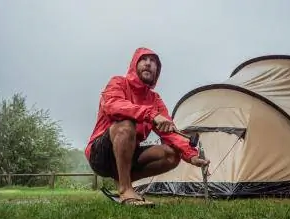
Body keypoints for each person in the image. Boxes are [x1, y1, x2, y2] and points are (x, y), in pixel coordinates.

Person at [85, 47, 210, 206]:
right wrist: (150, 114)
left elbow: (170, 133)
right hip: (100, 154)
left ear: (157, 71)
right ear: (134, 64)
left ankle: (122, 178)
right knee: (126, 124)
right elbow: (113, 105)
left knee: (171, 155)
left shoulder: (155, 99)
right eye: (144, 59)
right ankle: (125, 190)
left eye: (153, 62)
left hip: (129, 154)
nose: (148, 64)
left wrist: (192, 155)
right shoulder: (118, 82)